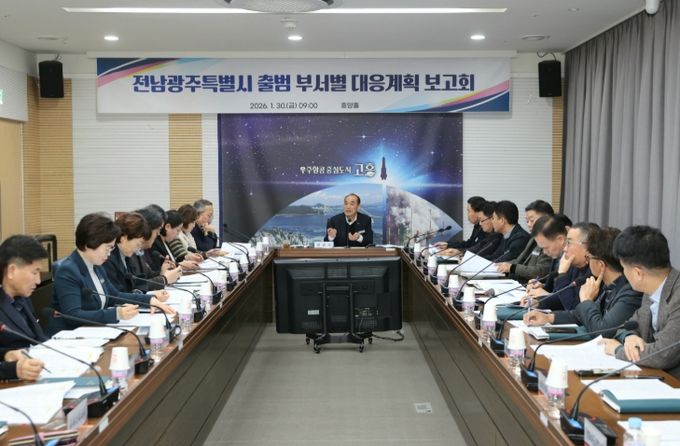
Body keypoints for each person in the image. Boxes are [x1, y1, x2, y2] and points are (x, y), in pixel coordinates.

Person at [48, 213, 175, 335]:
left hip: (93, 331)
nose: (109, 253)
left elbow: (114, 295)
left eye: (112, 248)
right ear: (90, 244)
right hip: (71, 336)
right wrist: (116, 314)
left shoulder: (96, 265)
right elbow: (72, 315)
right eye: (107, 247)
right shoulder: (68, 270)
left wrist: (149, 299)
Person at [524, 227, 642, 337]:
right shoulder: (608, 285)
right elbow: (581, 315)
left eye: (589, 257)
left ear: (601, 265)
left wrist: (586, 301)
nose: (588, 262)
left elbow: (601, 331)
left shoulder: (629, 293)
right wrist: (549, 318)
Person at [601, 226, 680, 378]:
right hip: (654, 376)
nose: (623, 273)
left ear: (638, 273)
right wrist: (629, 337)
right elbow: (627, 326)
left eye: (624, 268)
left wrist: (618, 350)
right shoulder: (650, 289)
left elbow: (663, 354)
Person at [0, 235, 47, 378]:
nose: (38, 280)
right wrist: (13, 369)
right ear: (11, 271)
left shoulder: (22, 297)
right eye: (34, 272)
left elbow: (36, 338)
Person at [525, 221, 596, 311]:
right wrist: (537, 302)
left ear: (587, 247)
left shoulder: (594, 271)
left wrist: (562, 274)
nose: (565, 249)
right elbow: (561, 298)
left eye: (569, 243)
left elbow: (573, 307)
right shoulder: (574, 266)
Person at [104, 212, 173, 301]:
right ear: (123, 237)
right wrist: (149, 297)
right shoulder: (108, 259)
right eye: (138, 243)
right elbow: (117, 295)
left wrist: (149, 294)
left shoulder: (127, 256)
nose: (139, 248)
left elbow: (137, 284)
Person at [496, 200, 554, 281]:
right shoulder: (533, 239)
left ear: (546, 219)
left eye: (532, 220)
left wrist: (511, 267)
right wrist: (502, 265)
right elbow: (519, 260)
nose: (529, 224)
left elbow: (540, 272)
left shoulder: (551, 242)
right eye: (527, 221)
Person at [128, 207, 182, 291]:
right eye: (157, 231)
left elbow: (148, 276)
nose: (158, 234)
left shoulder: (139, 251)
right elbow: (136, 286)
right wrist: (164, 279)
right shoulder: (129, 252)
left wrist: (162, 273)